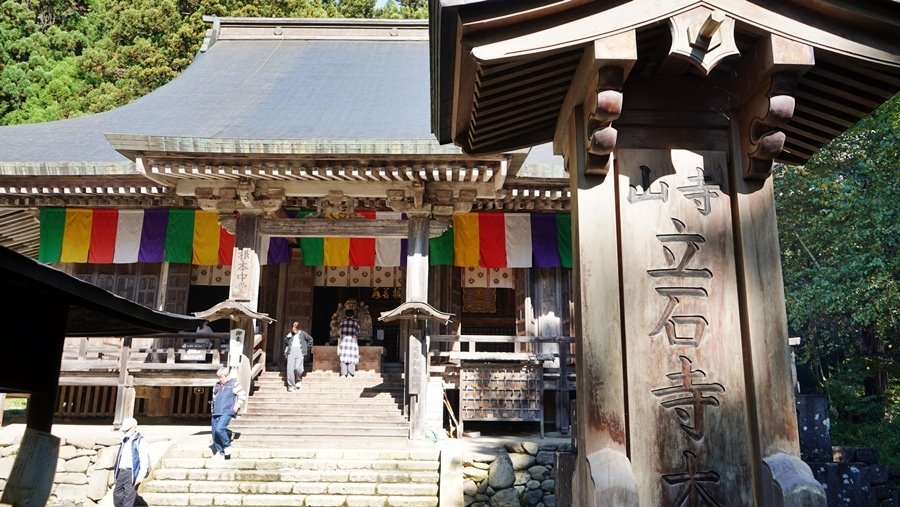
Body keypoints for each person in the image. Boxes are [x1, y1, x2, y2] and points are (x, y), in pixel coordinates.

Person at [210, 367, 246, 460]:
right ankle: (219, 452)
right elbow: (214, 398)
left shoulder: (234, 384)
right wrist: (212, 410)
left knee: (219, 429)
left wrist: (237, 405)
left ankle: (227, 446)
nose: (220, 379)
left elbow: (242, 394)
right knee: (214, 433)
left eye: (221, 377)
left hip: (227, 411)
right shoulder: (217, 385)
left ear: (226, 376)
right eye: (219, 377)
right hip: (216, 412)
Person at [113, 417, 150, 507]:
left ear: (134, 428)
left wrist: (140, 476)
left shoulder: (140, 441)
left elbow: (144, 460)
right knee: (117, 496)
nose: (125, 432)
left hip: (132, 473)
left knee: (128, 499)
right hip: (121, 471)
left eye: (127, 430)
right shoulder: (125, 439)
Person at [284, 321, 314, 391]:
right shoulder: (291, 334)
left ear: (298, 328)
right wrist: (289, 336)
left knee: (298, 368)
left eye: (295, 327)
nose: (294, 328)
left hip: (300, 351)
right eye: (293, 327)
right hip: (291, 351)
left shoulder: (303, 333)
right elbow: (286, 342)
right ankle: (291, 386)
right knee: (290, 369)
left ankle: (298, 379)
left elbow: (310, 339)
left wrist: (307, 347)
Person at [338, 309, 360, 378]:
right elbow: (358, 332)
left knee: (343, 357)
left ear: (345, 315)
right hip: (352, 343)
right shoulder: (356, 323)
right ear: (353, 315)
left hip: (344, 342)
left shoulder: (342, 323)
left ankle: (344, 374)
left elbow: (339, 332)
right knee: (352, 358)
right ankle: (350, 373)